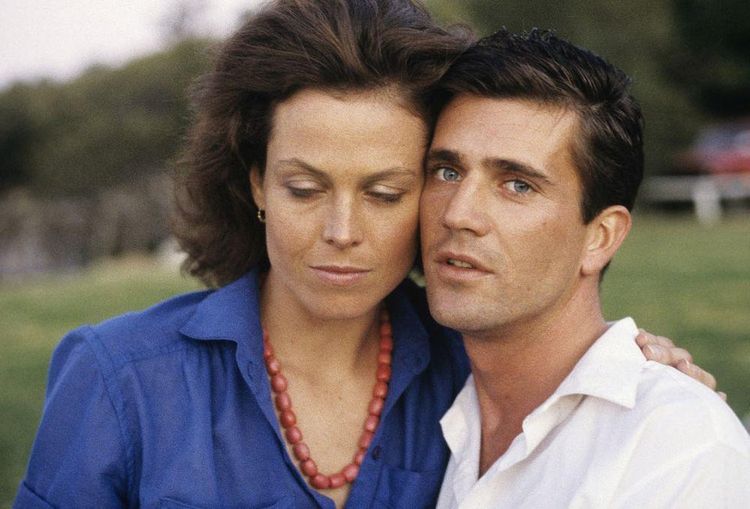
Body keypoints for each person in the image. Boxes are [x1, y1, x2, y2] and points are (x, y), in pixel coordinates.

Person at [14, 2, 716, 508]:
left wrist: (638, 370)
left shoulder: (474, 371)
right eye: (304, 188)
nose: (341, 230)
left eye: (385, 193)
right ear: (257, 183)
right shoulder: (121, 377)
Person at [419, 29, 750, 508]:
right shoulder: (424, 402)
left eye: (517, 185)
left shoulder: (674, 445)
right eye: (447, 172)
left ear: (601, 237)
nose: (458, 213)